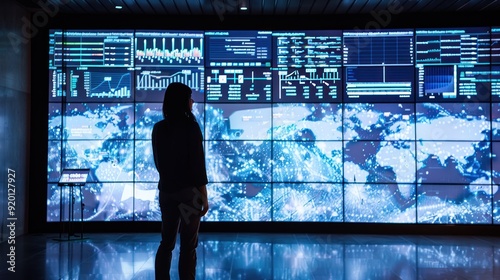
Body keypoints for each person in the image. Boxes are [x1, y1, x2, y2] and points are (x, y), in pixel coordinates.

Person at [152, 82, 209, 280]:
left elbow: (158, 162)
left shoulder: (159, 128)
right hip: (189, 195)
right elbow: (197, 165)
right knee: (188, 245)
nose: (192, 102)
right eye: (190, 98)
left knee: (166, 243)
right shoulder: (191, 127)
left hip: (167, 192)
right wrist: (204, 195)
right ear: (183, 102)